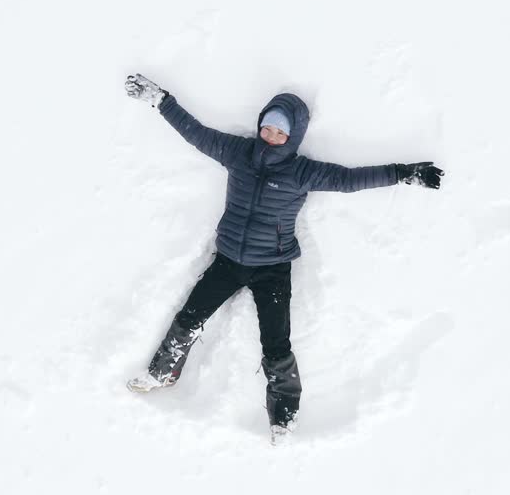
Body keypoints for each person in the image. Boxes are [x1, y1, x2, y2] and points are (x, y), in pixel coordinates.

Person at [123, 74, 443, 444]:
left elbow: (352, 180)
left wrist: (405, 173)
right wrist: (160, 100)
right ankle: (162, 373)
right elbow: (195, 132)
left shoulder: (302, 171)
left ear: (294, 136)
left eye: (281, 132)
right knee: (190, 317)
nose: (272, 136)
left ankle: (283, 416)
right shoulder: (236, 152)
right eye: (268, 127)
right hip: (228, 259)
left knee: (276, 343)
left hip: (273, 268)